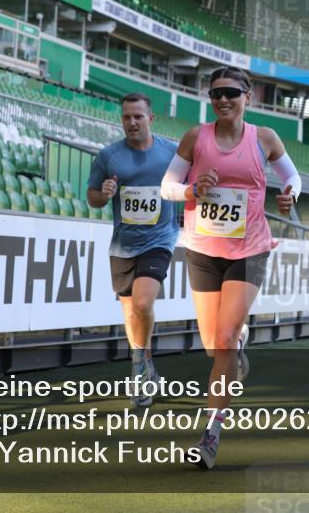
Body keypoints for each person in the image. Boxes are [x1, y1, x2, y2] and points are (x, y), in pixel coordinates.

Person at [161, 66, 300, 470]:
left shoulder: (264, 138)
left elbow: (292, 177)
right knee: (213, 345)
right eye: (217, 93)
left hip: (250, 249)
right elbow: (166, 187)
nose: (224, 100)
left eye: (232, 93)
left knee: (222, 340)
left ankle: (210, 433)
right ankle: (238, 344)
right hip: (204, 248)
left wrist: (290, 194)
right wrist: (190, 189)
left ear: (248, 97)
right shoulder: (195, 137)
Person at [87, 93, 179, 407]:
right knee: (130, 313)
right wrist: (104, 193)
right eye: (126, 117)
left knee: (142, 302)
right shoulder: (109, 156)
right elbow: (93, 198)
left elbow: (189, 185)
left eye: (138, 116)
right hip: (123, 245)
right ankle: (146, 364)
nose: (132, 122)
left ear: (150, 118)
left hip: (160, 239)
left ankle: (139, 366)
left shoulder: (171, 152)